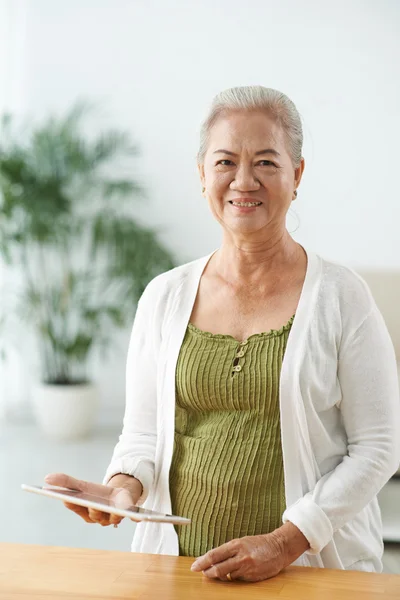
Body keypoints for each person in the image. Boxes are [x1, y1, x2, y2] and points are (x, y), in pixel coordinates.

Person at [46, 86, 400, 582]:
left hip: (309, 570)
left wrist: (283, 543)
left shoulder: (342, 297)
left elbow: (379, 447)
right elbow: (143, 434)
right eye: (225, 161)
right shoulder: (163, 296)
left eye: (267, 163)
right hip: (177, 568)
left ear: (297, 175)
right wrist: (124, 487)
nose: (244, 180)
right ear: (201, 175)